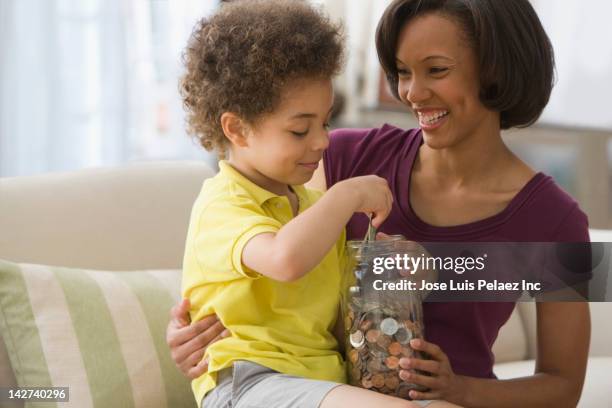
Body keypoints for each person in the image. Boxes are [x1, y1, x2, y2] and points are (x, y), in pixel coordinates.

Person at [170, 0, 591, 406]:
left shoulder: (558, 222)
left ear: (497, 68)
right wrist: (189, 331)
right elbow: (274, 271)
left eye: (437, 70)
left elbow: (563, 387)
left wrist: (459, 390)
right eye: (403, 72)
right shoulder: (337, 157)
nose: (412, 92)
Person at [178, 1, 460, 407]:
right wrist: (345, 194)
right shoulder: (222, 204)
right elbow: (285, 259)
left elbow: (353, 289)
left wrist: (403, 264)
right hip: (249, 383)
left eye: (325, 122)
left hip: (322, 382)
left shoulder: (311, 209)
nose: (323, 141)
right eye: (299, 129)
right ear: (237, 128)